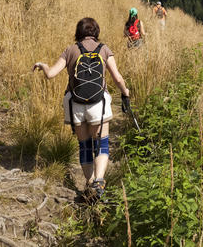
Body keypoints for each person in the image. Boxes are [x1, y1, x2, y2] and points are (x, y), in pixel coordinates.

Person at [32, 17, 130, 201]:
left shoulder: (70, 50)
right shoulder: (104, 49)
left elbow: (51, 74)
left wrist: (43, 66)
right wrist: (125, 92)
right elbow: (117, 78)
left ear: (78, 32)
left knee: (84, 146)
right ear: (96, 32)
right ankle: (99, 181)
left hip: (75, 104)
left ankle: (89, 182)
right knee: (101, 144)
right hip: (97, 105)